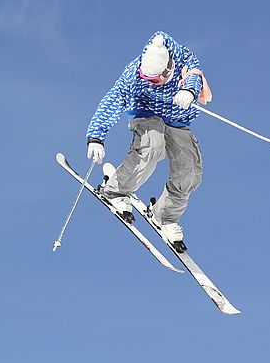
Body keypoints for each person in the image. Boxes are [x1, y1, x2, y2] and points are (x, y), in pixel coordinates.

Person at [85, 31, 211, 252]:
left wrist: (189, 91)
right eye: (146, 78)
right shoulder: (134, 74)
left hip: (176, 118)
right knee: (152, 146)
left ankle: (165, 216)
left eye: (154, 79)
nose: (149, 82)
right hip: (146, 113)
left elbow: (194, 75)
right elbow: (113, 99)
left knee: (189, 171)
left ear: (168, 69)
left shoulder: (183, 60)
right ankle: (115, 191)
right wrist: (96, 137)